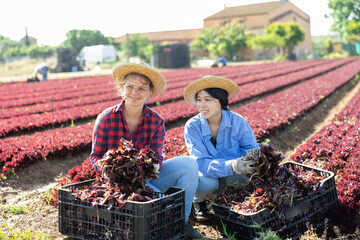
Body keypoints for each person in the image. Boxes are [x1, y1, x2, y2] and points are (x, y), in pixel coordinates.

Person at [90, 62, 203, 239]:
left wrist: (144, 173)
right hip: (114, 183)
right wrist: (112, 173)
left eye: (141, 88)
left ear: (149, 92)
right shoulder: (105, 118)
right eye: (130, 87)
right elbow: (95, 156)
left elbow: (157, 157)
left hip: (145, 179)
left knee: (189, 164)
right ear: (121, 88)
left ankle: (182, 222)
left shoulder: (156, 121)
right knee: (151, 206)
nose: (134, 93)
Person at [183, 75, 259, 222]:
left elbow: (251, 149)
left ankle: (225, 200)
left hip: (234, 174)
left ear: (221, 101)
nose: (201, 105)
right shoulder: (192, 126)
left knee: (245, 178)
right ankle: (198, 202)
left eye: (208, 99)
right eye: (199, 99)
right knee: (206, 184)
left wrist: (247, 162)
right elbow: (202, 163)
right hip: (208, 175)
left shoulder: (238, 122)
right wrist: (232, 165)